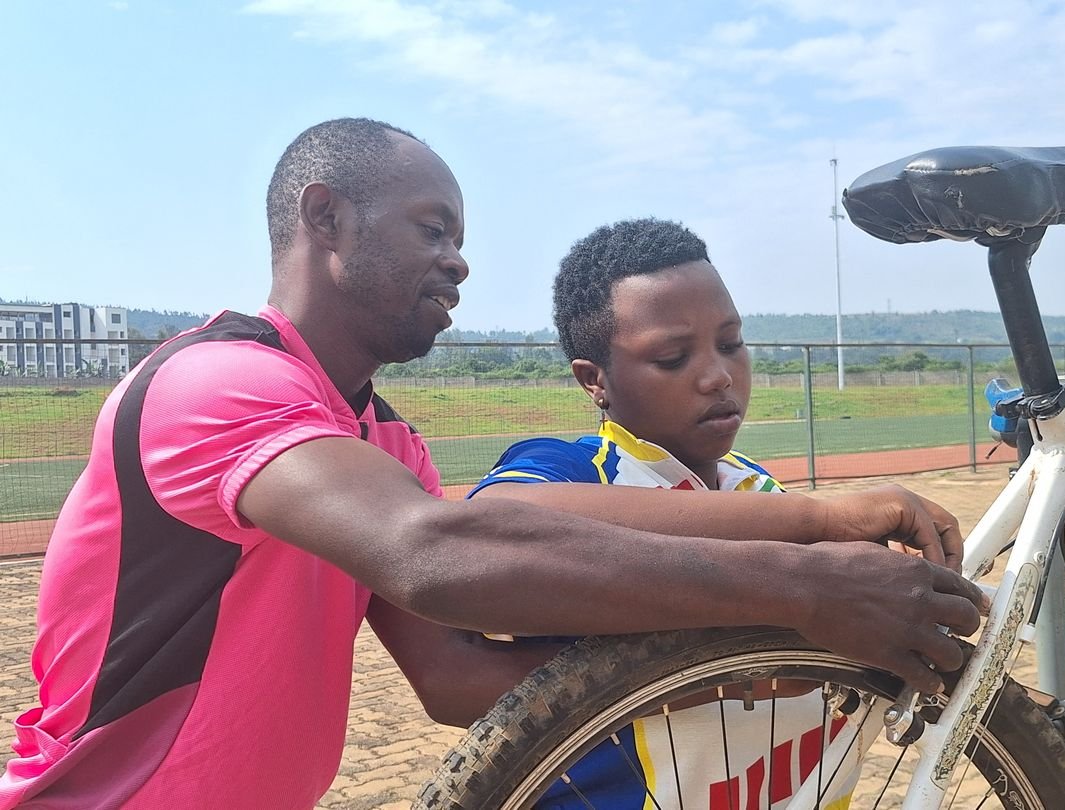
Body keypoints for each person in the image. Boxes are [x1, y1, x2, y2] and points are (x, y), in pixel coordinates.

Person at [0, 118, 986, 810]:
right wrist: (804, 582)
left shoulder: (379, 437)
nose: (461, 262)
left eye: (462, 239)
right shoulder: (215, 382)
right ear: (325, 217)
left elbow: (454, 672)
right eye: (434, 230)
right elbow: (433, 550)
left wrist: (738, 663)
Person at [464, 217, 864, 807]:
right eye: (674, 357)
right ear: (593, 379)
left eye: (730, 343)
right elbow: (491, 521)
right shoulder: (575, 471)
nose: (718, 375)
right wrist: (821, 521)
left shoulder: (757, 492)